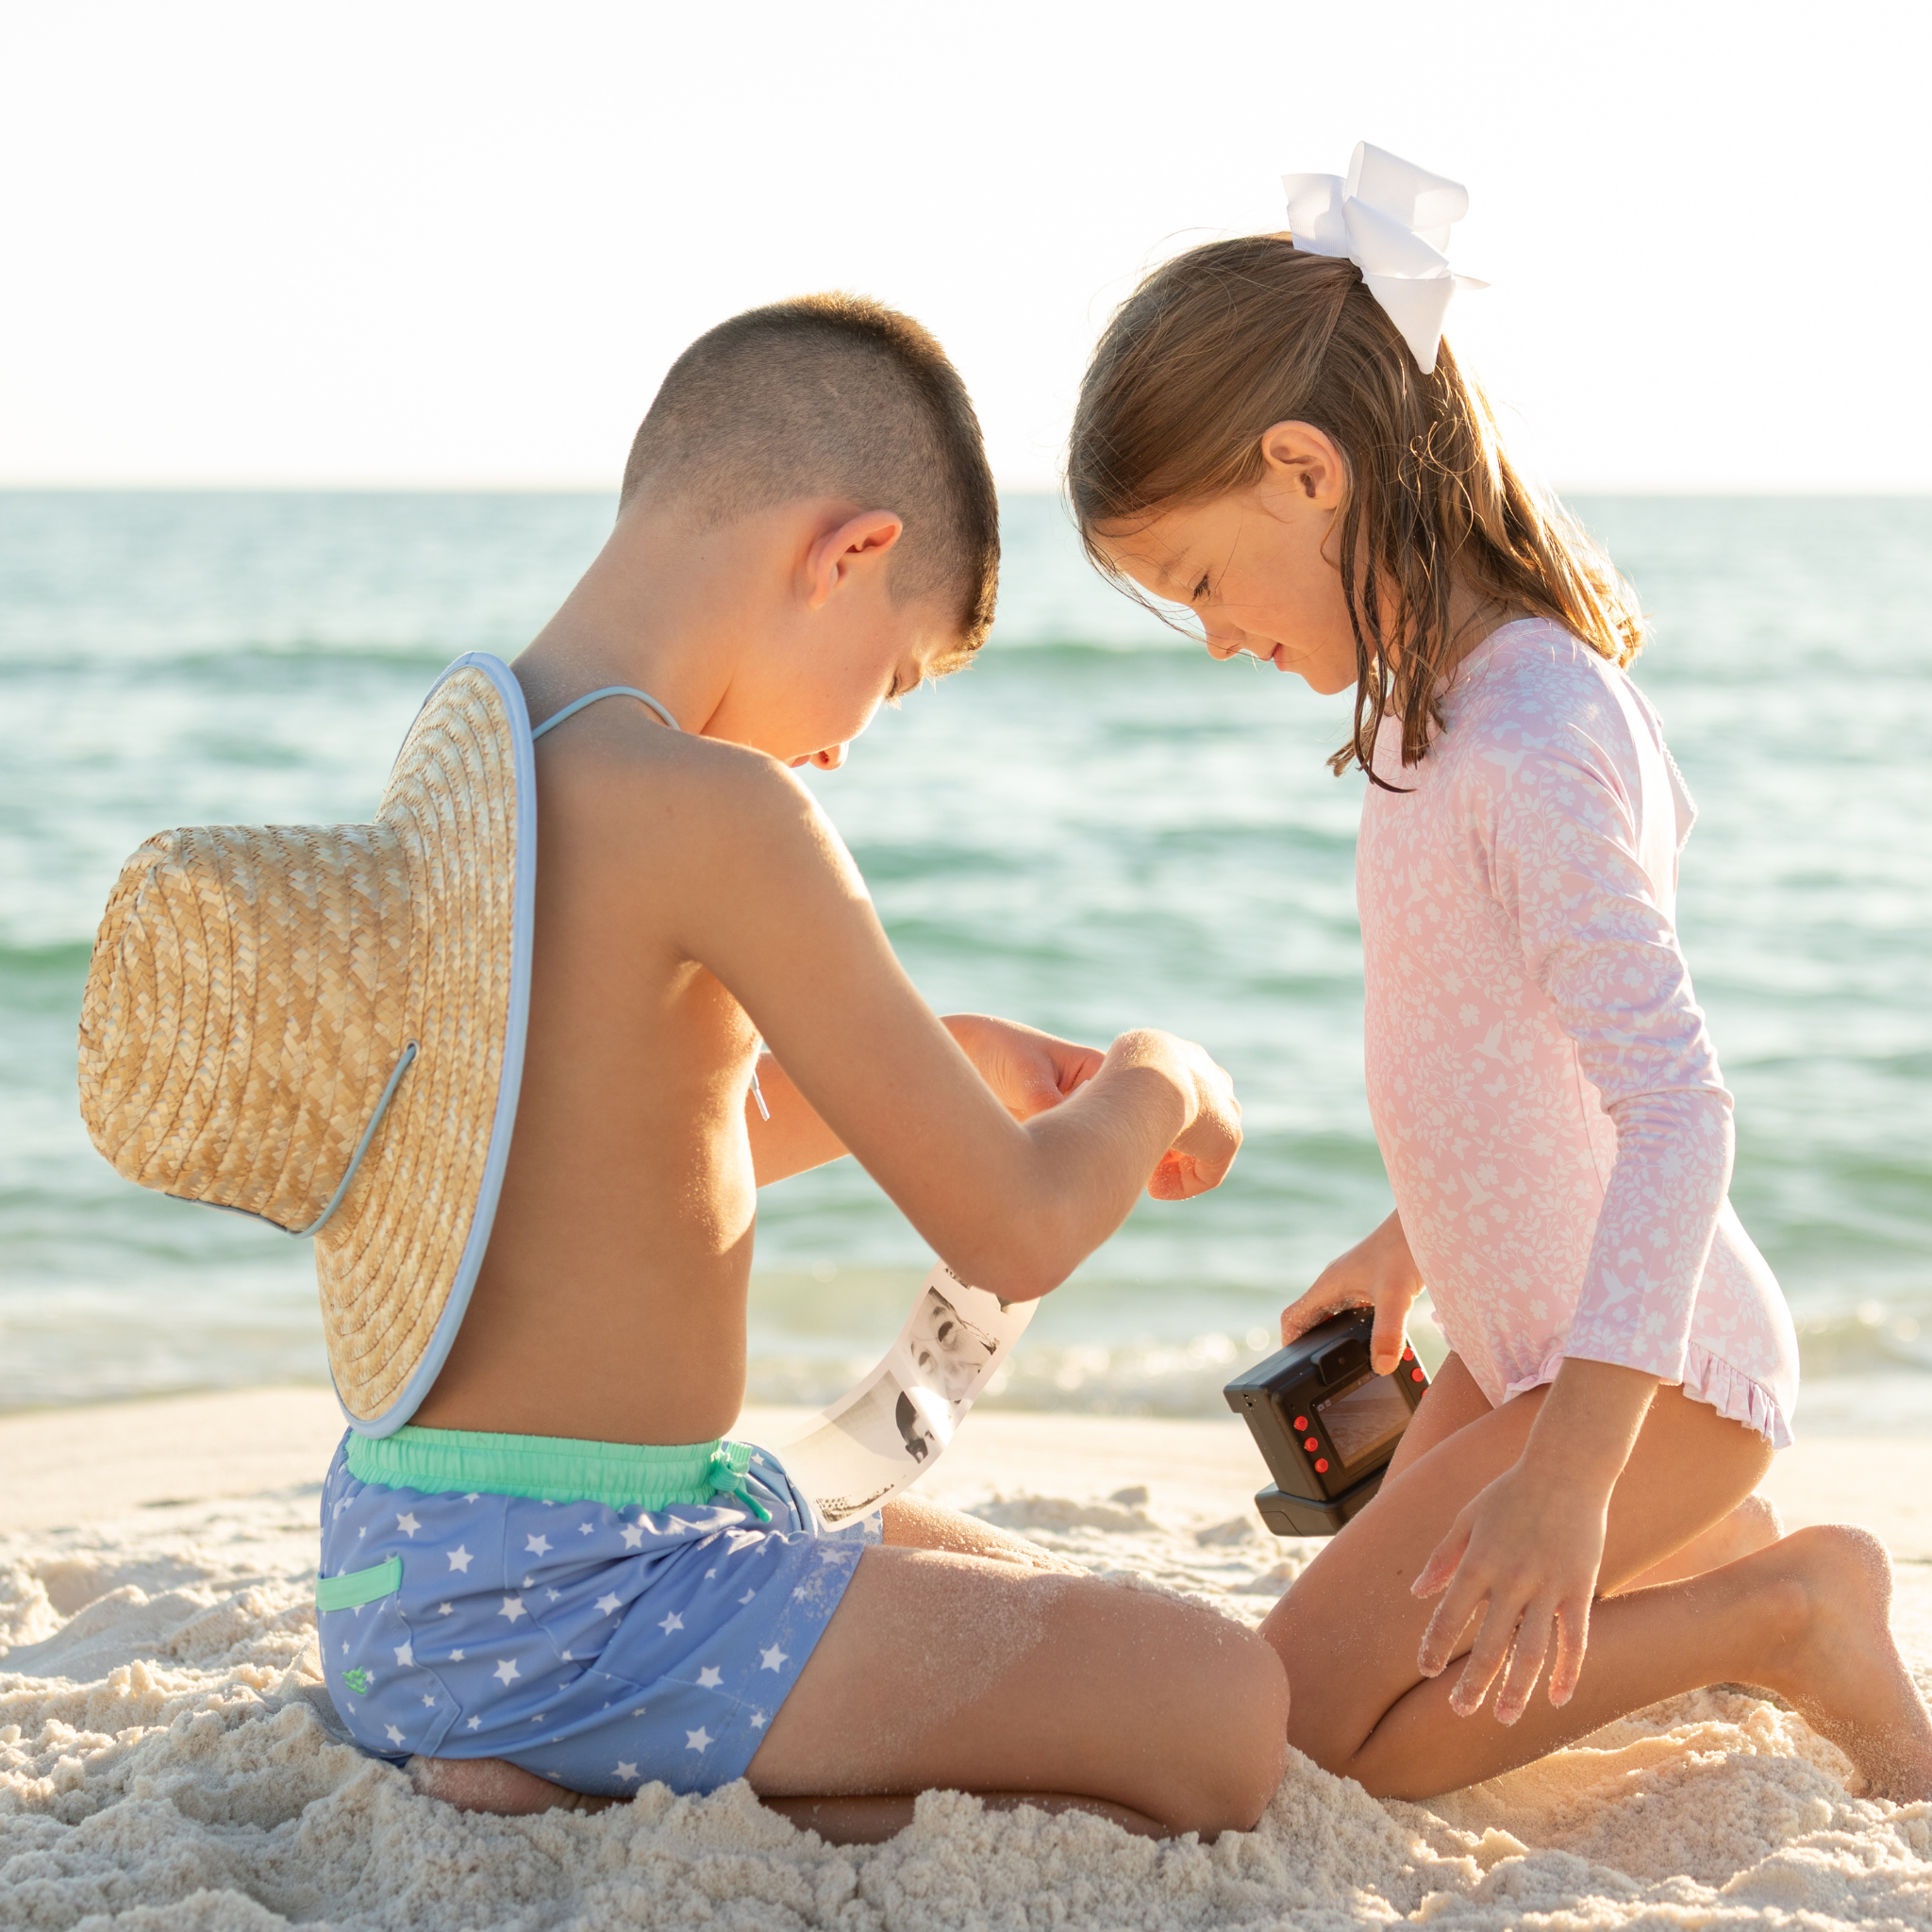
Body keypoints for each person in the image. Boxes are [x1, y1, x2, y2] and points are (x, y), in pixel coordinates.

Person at [75, 291, 1282, 1841]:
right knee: (1228, 1715)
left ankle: (558, 1772)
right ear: (847, 553)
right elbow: (1016, 1229)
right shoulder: (724, 808)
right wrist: (1162, 1079)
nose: (851, 741)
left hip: (412, 1577)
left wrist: (952, 1059)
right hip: (582, 1600)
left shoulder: (490, 757)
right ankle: (595, 1798)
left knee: (1015, 1585)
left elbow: (599, 1152)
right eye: (892, 677)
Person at [1064, 150, 1932, 1803]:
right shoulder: (1423, 713)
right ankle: (1704, 1565)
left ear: (1304, 471)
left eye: (1196, 581)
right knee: (1304, 1717)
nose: (1218, 635)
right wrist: (1414, 1242)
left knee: (1314, 1753)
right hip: (1529, 1336)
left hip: (1650, 1369)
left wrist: (1573, 1479)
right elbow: (1512, 1059)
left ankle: (1791, 1606)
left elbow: (1675, 1112)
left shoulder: (1530, 733)